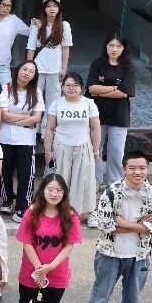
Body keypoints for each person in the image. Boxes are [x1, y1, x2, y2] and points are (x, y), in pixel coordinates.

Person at [83, 150, 152, 303]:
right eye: (133, 168)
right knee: (102, 291)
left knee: (133, 295)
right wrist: (141, 225)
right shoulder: (111, 192)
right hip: (109, 253)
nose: (138, 172)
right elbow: (105, 225)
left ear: (148, 169)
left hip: (140, 254)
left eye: (142, 168)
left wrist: (124, 223)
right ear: (124, 169)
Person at [15, 173, 82, 303]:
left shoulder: (70, 215)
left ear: (64, 193)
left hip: (57, 273)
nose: (54, 194)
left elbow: (69, 245)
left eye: (59, 190)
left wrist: (50, 266)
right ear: (42, 190)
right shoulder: (32, 212)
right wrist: (39, 268)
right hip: (31, 272)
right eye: (50, 189)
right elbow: (27, 242)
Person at [45, 72, 101, 223]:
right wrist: (48, 151)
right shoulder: (56, 104)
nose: (71, 88)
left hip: (83, 146)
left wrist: (95, 149)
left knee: (85, 180)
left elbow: (95, 128)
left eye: (75, 85)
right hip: (61, 146)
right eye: (68, 85)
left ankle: (90, 213)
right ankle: (60, 212)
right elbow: (50, 129)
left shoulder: (89, 103)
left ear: (81, 88)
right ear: (62, 87)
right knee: (60, 181)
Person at [87, 34, 136, 193]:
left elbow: (124, 93)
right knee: (95, 149)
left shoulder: (128, 66)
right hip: (97, 114)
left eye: (118, 46)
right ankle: (95, 181)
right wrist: (115, 88)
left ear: (124, 48)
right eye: (111, 45)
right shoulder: (97, 63)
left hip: (119, 115)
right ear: (106, 46)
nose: (114, 49)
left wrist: (101, 91)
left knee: (116, 152)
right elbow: (91, 89)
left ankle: (114, 184)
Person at [0, 60, 43, 220]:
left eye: (31, 71)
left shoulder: (36, 92)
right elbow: (3, 115)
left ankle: (23, 206)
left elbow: (36, 118)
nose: (27, 73)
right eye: (24, 69)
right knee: (4, 172)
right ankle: (7, 200)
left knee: (26, 175)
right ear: (18, 70)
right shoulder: (5, 89)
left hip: (26, 140)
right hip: (5, 138)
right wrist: (25, 118)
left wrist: (14, 119)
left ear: (34, 75)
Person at [28, 0, 73, 135]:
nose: (52, 9)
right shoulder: (37, 26)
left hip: (55, 69)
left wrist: (64, 68)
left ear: (59, 8)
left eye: (55, 6)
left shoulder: (64, 26)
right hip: (38, 68)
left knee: (52, 102)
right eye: (48, 6)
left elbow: (65, 48)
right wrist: (29, 67)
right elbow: (31, 48)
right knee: (34, 99)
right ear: (44, 9)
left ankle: (46, 131)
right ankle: (33, 129)